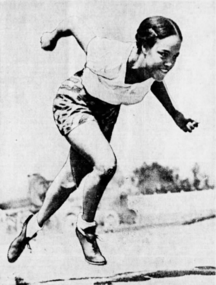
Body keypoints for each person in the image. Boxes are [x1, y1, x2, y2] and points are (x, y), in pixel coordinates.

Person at [7, 14, 198, 266]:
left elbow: (153, 83)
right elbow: (72, 23)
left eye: (175, 56)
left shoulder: (153, 71)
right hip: (76, 100)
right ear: (142, 47)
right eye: (164, 54)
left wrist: (175, 114)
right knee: (106, 163)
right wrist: (51, 37)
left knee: (69, 181)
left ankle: (30, 227)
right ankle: (85, 228)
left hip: (105, 115)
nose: (170, 63)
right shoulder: (108, 54)